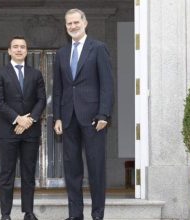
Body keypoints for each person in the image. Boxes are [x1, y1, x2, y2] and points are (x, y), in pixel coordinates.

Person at [53, 8, 114, 220]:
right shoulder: (61, 53)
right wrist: (58, 117)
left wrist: (104, 114)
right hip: (68, 119)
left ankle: (97, 215)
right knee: (72, 171)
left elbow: (107, 84)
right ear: (66, 26)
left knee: (96, 169)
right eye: (69, 23)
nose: (73, 26)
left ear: (85, 23)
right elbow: (58, 89)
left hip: (94, 120)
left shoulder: (98, 48)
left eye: (76, 22)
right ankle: (75, 215)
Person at [0, 36, 46, 220]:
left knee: (28, 173)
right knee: (6, 174)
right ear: (9, 51)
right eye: (15, 47)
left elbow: (41, 100)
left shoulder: (36, 74)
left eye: (22, 47)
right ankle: (5, 214)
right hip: (8, 131)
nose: (19, 49)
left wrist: (29, 120)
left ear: (26, 50)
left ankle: (28, 212)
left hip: (30, 132)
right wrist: (17, 119)